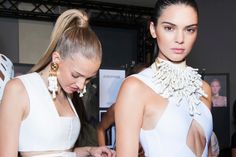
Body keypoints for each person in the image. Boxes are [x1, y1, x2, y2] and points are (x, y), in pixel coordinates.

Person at [0, 9, 115, 157]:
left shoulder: (68, 94)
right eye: (76, 75)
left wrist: (89, 150)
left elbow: (60, 152)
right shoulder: (19, 89)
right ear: (56, 60)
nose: (81, 85)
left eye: (88, 79)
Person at [115, 0, 213, 157]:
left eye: (189, 30)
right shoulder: (135, 87)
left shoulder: (204, 89)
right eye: (169, 28)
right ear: (153, 29)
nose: (180, 39)